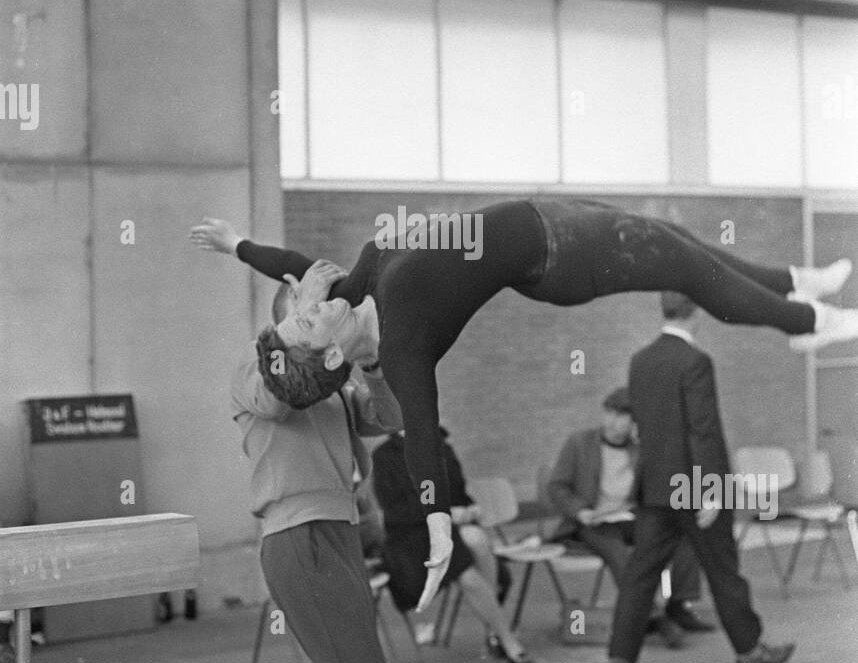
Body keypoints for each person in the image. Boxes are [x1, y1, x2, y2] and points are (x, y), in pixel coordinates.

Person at [191, 200, 856, 612]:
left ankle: (795, 281)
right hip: (560, 254)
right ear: (332, 353)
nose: (311, 299)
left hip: (546, 214)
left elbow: (297, 265)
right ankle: (806, 320)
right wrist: (438, 532)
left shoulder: (354, 293)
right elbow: (419, 440)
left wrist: (235, 246)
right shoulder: (402, 347)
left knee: (673, 237)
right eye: (307, 318)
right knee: (685, 266)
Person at [231, 261, 405, 663]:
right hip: (297, 538)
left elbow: (389, 421)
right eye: (313, 309)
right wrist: (309, 309)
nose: (327, 316)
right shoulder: (254, 372)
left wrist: (375, 364)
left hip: (339, 536)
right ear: (289, 314)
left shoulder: (333, 382)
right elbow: (281, 399)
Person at [605, 293, 796, 663]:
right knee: (723, 571)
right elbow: (702, 429)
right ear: (698, 313)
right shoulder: (695, 362)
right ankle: (750, 651)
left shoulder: (640, 360)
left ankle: (619, 661)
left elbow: (646, 426)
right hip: (693, 485)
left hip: (655, 486)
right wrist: (711, 489)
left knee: (640, 575)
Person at [547, 387, 713, 640]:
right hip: (590, 521)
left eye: (622, 416)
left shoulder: (641, 449)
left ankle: (678, 604)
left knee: (684, 534)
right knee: (617, 549)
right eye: (610, 414)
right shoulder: (579, 443)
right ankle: (654, 615)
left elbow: (659, 484)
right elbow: (557, 486)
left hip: (629, 516)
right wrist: (580, 511)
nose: (614, 422)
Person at [372, 428, 532, 663]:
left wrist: (470, 508)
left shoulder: (440, 444)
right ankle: (507, 639)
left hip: (448, 528)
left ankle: (493, 629)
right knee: (467, 575)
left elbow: (457, 490)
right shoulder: (385, 456)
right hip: (412, 537)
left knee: (477, 538)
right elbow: (395, 512)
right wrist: (445, 513)